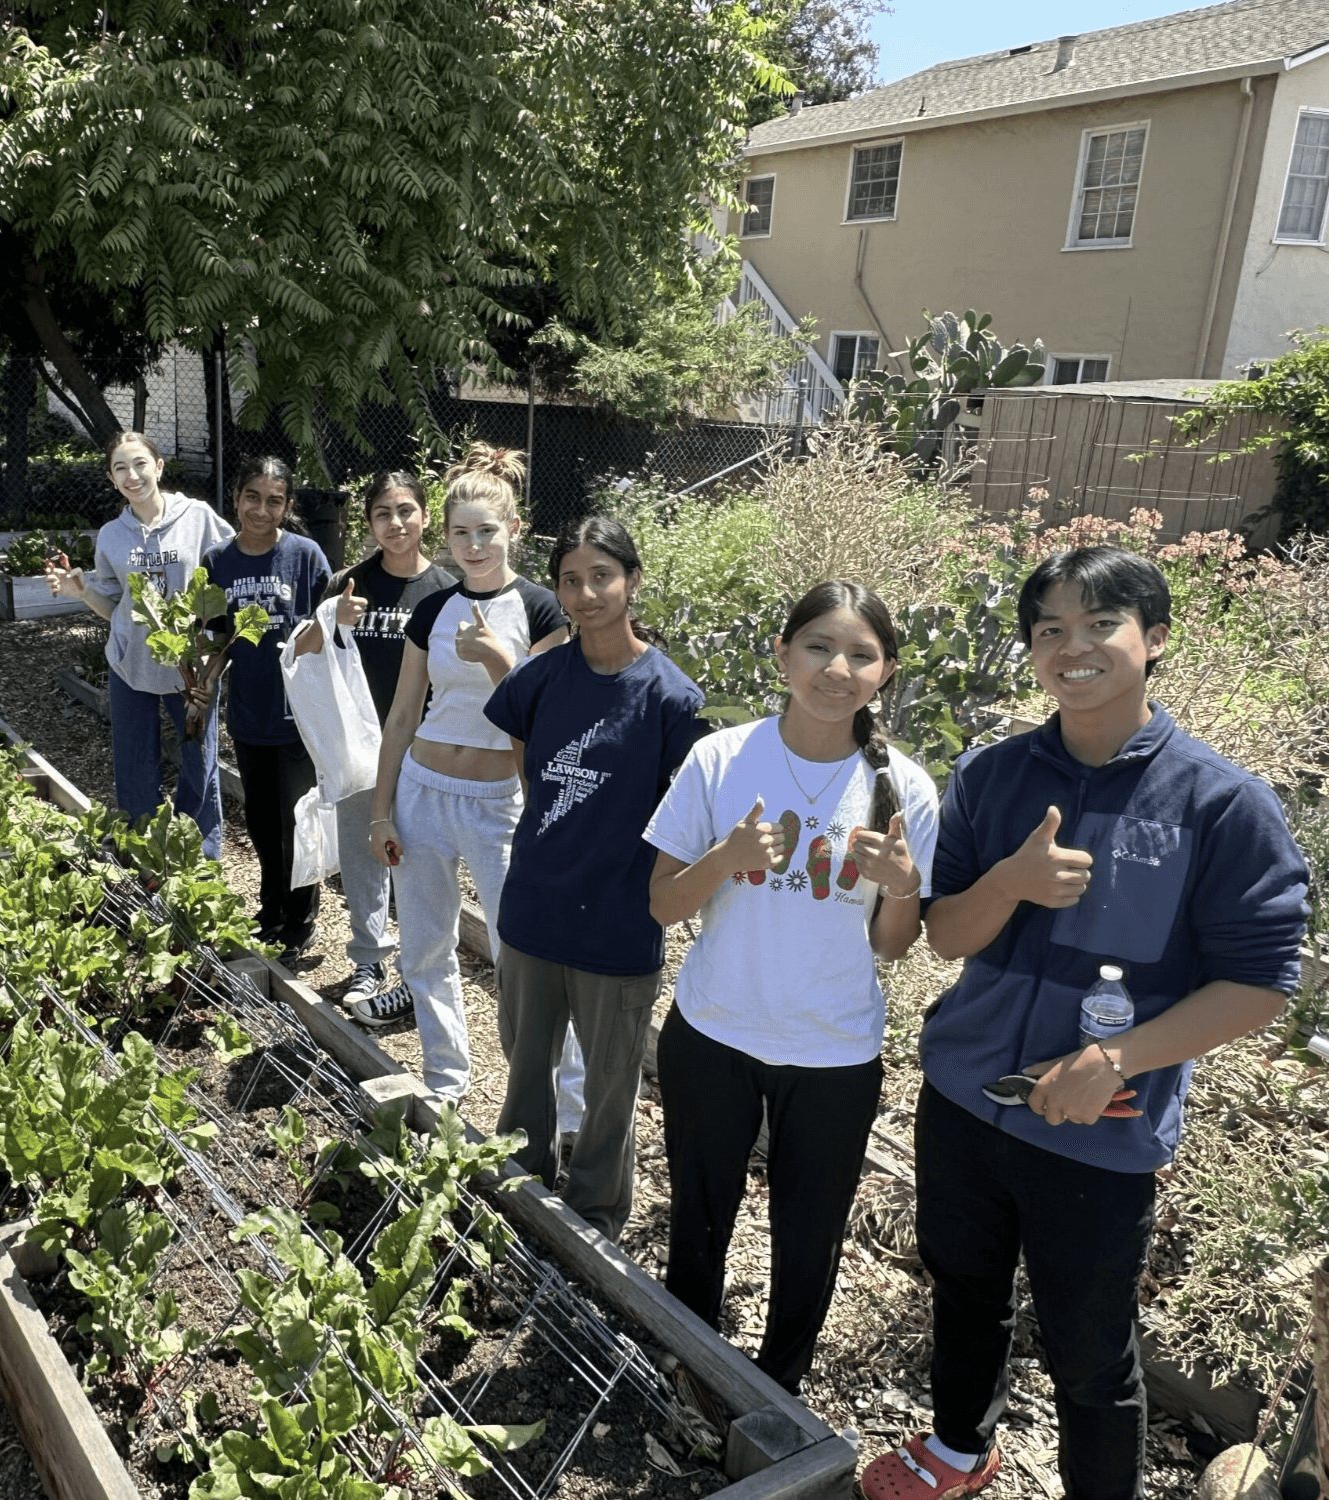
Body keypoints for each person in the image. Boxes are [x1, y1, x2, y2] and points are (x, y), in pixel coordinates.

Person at [861, 547, 1308, 1500]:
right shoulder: (991, 774)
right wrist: (1011, 884)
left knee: (1090, 1345)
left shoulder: (1222, 804)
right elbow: (944, 937)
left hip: (1100, 1132)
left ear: (1154, 640)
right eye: (1049, 629)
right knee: (966, 1290)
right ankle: (957, 1450)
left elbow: (1265, 982)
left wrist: (1119, 1057)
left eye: (1101, 623)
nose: (1073, 646)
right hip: (966, 1099)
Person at [644, 580, 941, 1394]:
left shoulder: (904, 788)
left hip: (835, 1049)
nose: (836, 668)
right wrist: (725, 859)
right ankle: (687, 1354)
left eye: (860, 654)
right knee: (700, 1216)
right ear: (782, 653)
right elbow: (663, 904)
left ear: (884, 673)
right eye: (817, 646)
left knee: (809, 1232)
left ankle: (779, 1384)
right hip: (713, 1030)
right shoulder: (722, 758)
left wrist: (907, 887)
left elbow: (891, 946)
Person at [481, 517, 705, 1239]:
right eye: (570, 581)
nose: (587, 594)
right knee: (525, 1069)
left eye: (602, 577)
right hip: (535, 910)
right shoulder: (539, 680)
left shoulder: (671, 698)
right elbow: (528, 760)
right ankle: (519, 1189)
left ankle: (594, 1220)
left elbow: (686, 811)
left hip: (619, 918)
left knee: (610, 1090)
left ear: (633, 582)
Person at [363, 444, 574, 1116]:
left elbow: (542, 720)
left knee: (525, 955)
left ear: (514, 530)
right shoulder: (433, 609)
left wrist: (499, 659)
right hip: (424, 790)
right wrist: (381, 809)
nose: (474, 544)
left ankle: (556, 1102)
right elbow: (401, 717)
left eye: (487, 531)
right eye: (460, 533)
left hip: (497, 804)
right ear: (444, 537)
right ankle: (447, 1080)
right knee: (425, 947)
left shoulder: (541, 611)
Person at [292, 472, 452, 1010]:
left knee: (422, 858)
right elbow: (303, 653)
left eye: (406, 510)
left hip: (425, 749)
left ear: (425, 517)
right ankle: (367, 962)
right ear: (370, 523)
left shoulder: (446, 589)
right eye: (383, 513)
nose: (396, 523)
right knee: (365, 856)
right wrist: (330, 618)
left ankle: (420, 964)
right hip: (361, 752)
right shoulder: (348, 582)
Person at [45, 433, 235, 857]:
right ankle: (144, 851)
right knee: (133, 763)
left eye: (140, 464)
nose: (132, 476)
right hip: (131, 664)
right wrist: (81, 592)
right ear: (112, 479)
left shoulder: (199, 518)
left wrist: (216, 648)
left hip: (192, 668)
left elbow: (228, 574)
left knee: (198, 761)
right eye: (120, 469)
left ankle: (196, 853)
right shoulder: (112, 535)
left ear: (159, 467)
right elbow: (117, 609)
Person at [201, 456, 331, 967]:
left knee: (295, 821)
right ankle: (271, 906)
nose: (261, 509)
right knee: (259, 820)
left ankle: (301, 917)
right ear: (235, 498)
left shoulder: (305, 557)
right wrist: (203, 683)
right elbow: (214, 637)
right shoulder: (217, 562)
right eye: (252, 497)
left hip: (297, 717)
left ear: (288, 506)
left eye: (274, 500)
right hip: (250, 714)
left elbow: (328, 629)